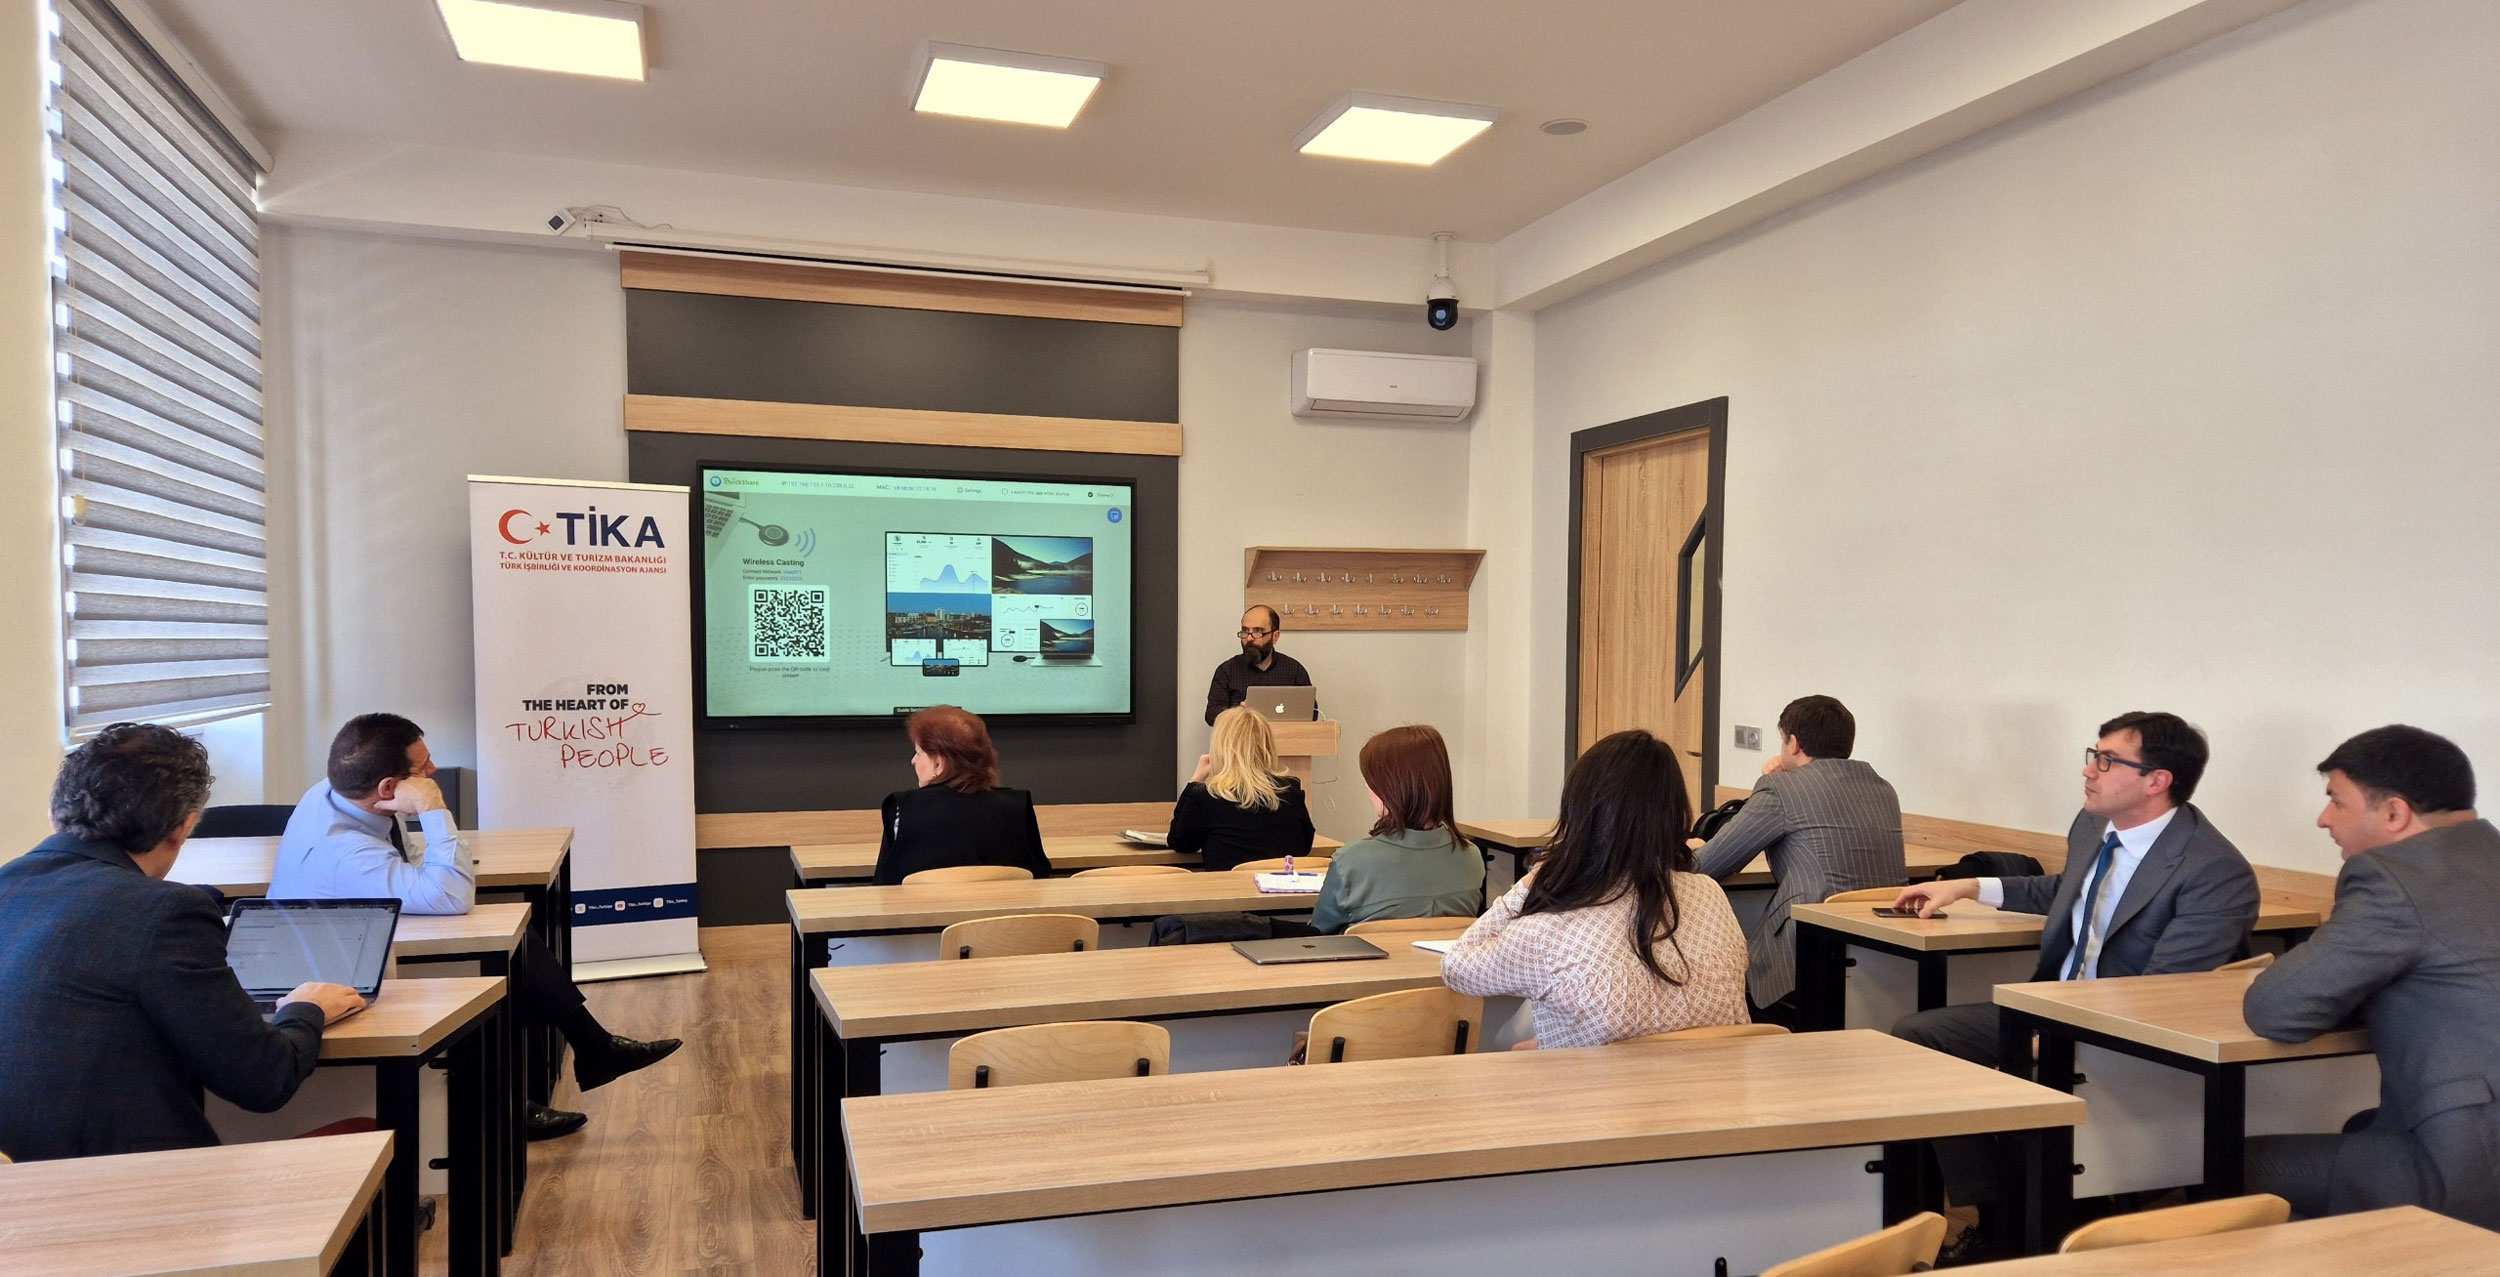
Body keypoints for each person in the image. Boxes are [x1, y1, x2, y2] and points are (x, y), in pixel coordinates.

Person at [1888, 710, 2259, 1255]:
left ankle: (2048, 1219)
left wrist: (2052, 1044)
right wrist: (1970, 887)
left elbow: (2163, 996)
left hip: (2130, 1039)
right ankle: (1999, 1217)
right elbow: (2068, 891)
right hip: (2050, 1008)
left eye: (2107, 761)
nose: (2089, 770)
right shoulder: (2094, 826)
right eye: (2093, 755)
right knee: (1920, 1038)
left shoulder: (2213, 871)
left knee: (2015, 1071)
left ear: (2157, 781)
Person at [273, 713, 680, 1141]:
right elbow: (452, 895)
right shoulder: (347, 854)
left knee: (513, 936)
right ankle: (519, 1099)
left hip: (354, 939)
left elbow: (418, 865)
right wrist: (433, 809)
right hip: (335, 975)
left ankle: (576, 1057)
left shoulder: (337, 795)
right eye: (423, 768)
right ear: (389, 788)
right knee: (495, 959)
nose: (433, 771)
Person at [0, 723, 367, 1161]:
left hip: (19, 1182)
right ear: (184, 827)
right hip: (130, 1180)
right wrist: (305, 1008)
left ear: (54, 815)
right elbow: (263, 1080)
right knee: (366, 1132)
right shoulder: (165, 912)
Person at [2243, 726, 2500, 1228]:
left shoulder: (2393, 876)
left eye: (2336, 801)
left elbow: (2276, 1011)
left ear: (2394, 814)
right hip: (2470, 1130)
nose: (2323, 819)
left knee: (2227, 1161)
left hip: (2470, 1165)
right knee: (2361, 1126)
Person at [1442, 729, 1748, 1047]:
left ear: (1581, 817)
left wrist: (1528, 885)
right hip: (1712, 1076)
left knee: (1511, 1046)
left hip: (1592, 1078)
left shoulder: (1552, 930)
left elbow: (1456, 968)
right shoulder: (1710, 895)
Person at [1688, 694, 1905, 1022]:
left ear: (1793, 743)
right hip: (1886, 952)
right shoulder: (1883, 788)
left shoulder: (1779, 789)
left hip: (1805, 951)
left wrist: (1692, 847)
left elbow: (1708, 865)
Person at [1309, 725, 1484, 933]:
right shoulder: (1471, 859)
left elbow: (1317, 936)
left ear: (1390, 786)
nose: (1367, 788)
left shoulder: (1349, 862)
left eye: (1371, 780)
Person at [873, 704, 1051, 885]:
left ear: (938, 764)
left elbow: (883, 885)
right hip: (1001, 904)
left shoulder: (903, 811)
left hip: (925, 905)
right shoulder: (1018, 807)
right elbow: (1041, 879)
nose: (913, 761)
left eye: (918, 753)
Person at [1167, 707, 1316, 872]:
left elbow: (1180, 843)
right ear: (1267, 746)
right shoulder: (1290, 790)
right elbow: (1304, 846)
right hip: (1279, 888)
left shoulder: (1207, 796)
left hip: (1229, 888)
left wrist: (1194, 781)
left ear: (1220, 747)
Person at [1204, 604, 1312, 726]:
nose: (1249, 638)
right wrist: (1237, 713)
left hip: (1285, 737)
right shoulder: (1227, 671)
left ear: (1275, 636)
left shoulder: (1294, 670)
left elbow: (1311, 712)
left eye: (1258, 632)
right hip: (1241, 737)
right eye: (1245, 631)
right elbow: (1211, 714)